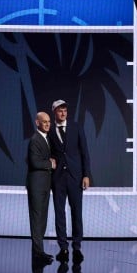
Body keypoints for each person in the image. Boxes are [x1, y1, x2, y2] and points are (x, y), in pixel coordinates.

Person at [48, 99, 91, 262]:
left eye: (65, 110)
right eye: (60, 110)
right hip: (57, 178)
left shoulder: (76, 127)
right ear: (54, 112)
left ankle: (77, 247)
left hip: (75, 177)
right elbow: (47, 151)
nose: (63, 113)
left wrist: (86, 175)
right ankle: (63, 248)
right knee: (59, 213)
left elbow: (85, 152)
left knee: (76, 212)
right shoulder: (50, 129)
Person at [27, 111, 56, 264]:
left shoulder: (46, 139)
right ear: (37, 123)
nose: (47, 124)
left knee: (42, 220)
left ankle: (39, 252)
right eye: (44, 121)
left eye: (49, 122)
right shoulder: (35, 139)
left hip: (44, 185)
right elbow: (34, 162)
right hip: (37, 186)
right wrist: (50, 164)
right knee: (37, 219)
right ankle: (38, 253)